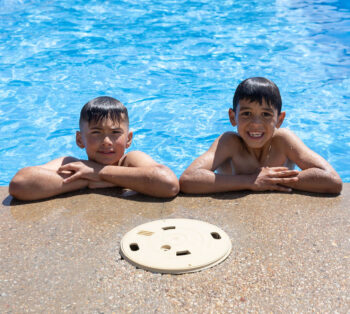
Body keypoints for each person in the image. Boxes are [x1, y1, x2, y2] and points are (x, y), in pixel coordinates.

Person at [180, 77, 342, 194]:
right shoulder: (229, 143)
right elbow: (189, 179)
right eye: (246, 113)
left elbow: (332, 180)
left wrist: (272, 180)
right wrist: (250, 181)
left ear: (279, 119)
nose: (256, 123)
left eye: (266, 114)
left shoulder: (283, 140)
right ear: (232, 117)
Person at [9, 96, 179, 200]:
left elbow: (168, 184)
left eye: (115, 132)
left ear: (128, 139)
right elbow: (20, 183)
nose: (106, 141)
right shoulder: (71, 164)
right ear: (79, 139)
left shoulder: (130, 160)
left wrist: (98, 173)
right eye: (96, 132)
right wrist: (88, 179)